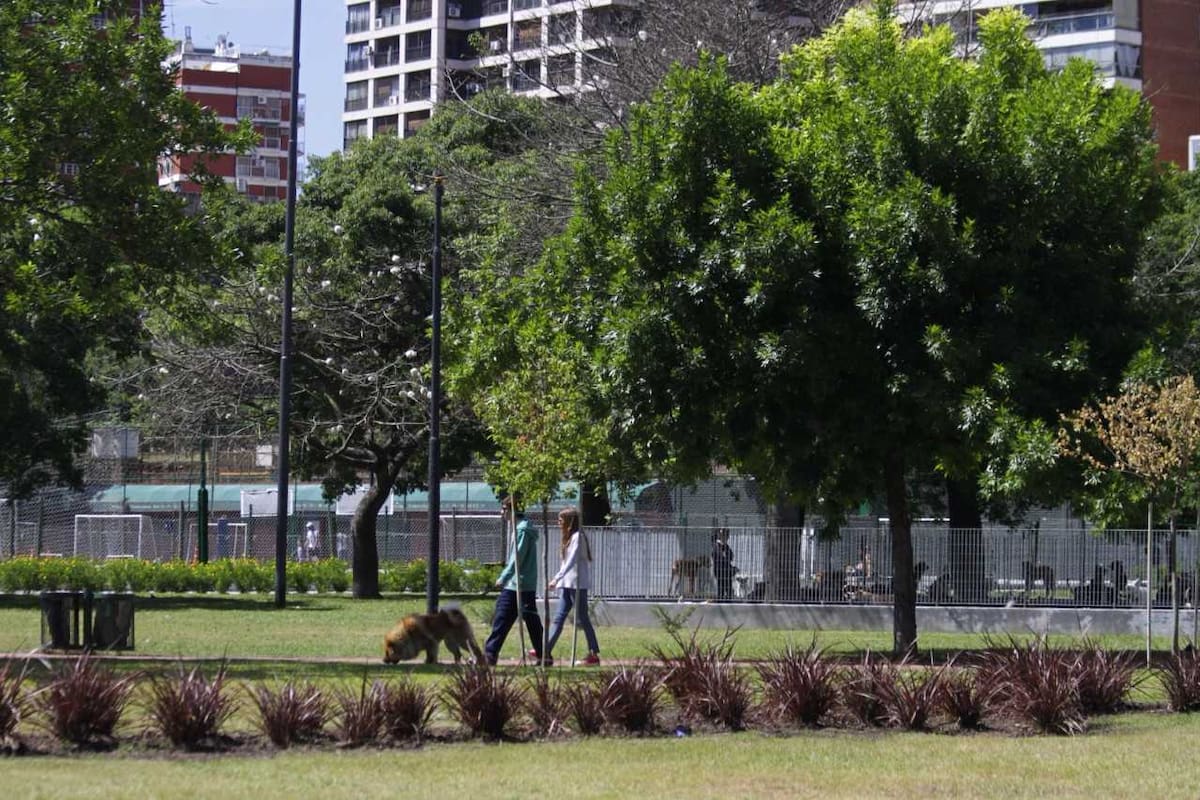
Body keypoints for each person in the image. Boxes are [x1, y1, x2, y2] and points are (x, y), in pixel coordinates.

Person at [483, 496, 546, 666]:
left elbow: (517, 557)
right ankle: (490, 655)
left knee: (517, 619)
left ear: (512, 510)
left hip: (520, 584)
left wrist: (504, 576)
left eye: (504, 508)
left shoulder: (522, 531)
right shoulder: (518, 528)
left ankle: (544, 655)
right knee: (504, 618)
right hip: (517, 584)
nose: (501, 512)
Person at [544, 506, 601, 666]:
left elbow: (572, 560)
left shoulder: (578, 537)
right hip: (567, 585)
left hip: (577, 584)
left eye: (561, 520)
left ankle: (593, 654)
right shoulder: (570, 537)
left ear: (569, 521)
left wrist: (556, 578)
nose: (558, 523)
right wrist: (560, 580)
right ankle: (545, 649)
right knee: (558, 618)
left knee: (583, 618)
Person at [712, 527, 736, 601]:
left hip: (726, 571)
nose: (725, 537)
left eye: (726, 535)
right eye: (722, 535)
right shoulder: (716, 546)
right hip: (720, 571)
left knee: (728, 588)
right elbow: (717, 557)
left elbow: (731, 557)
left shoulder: (726, 546)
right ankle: (720, 602)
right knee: (721, 589)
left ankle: (727, 602)